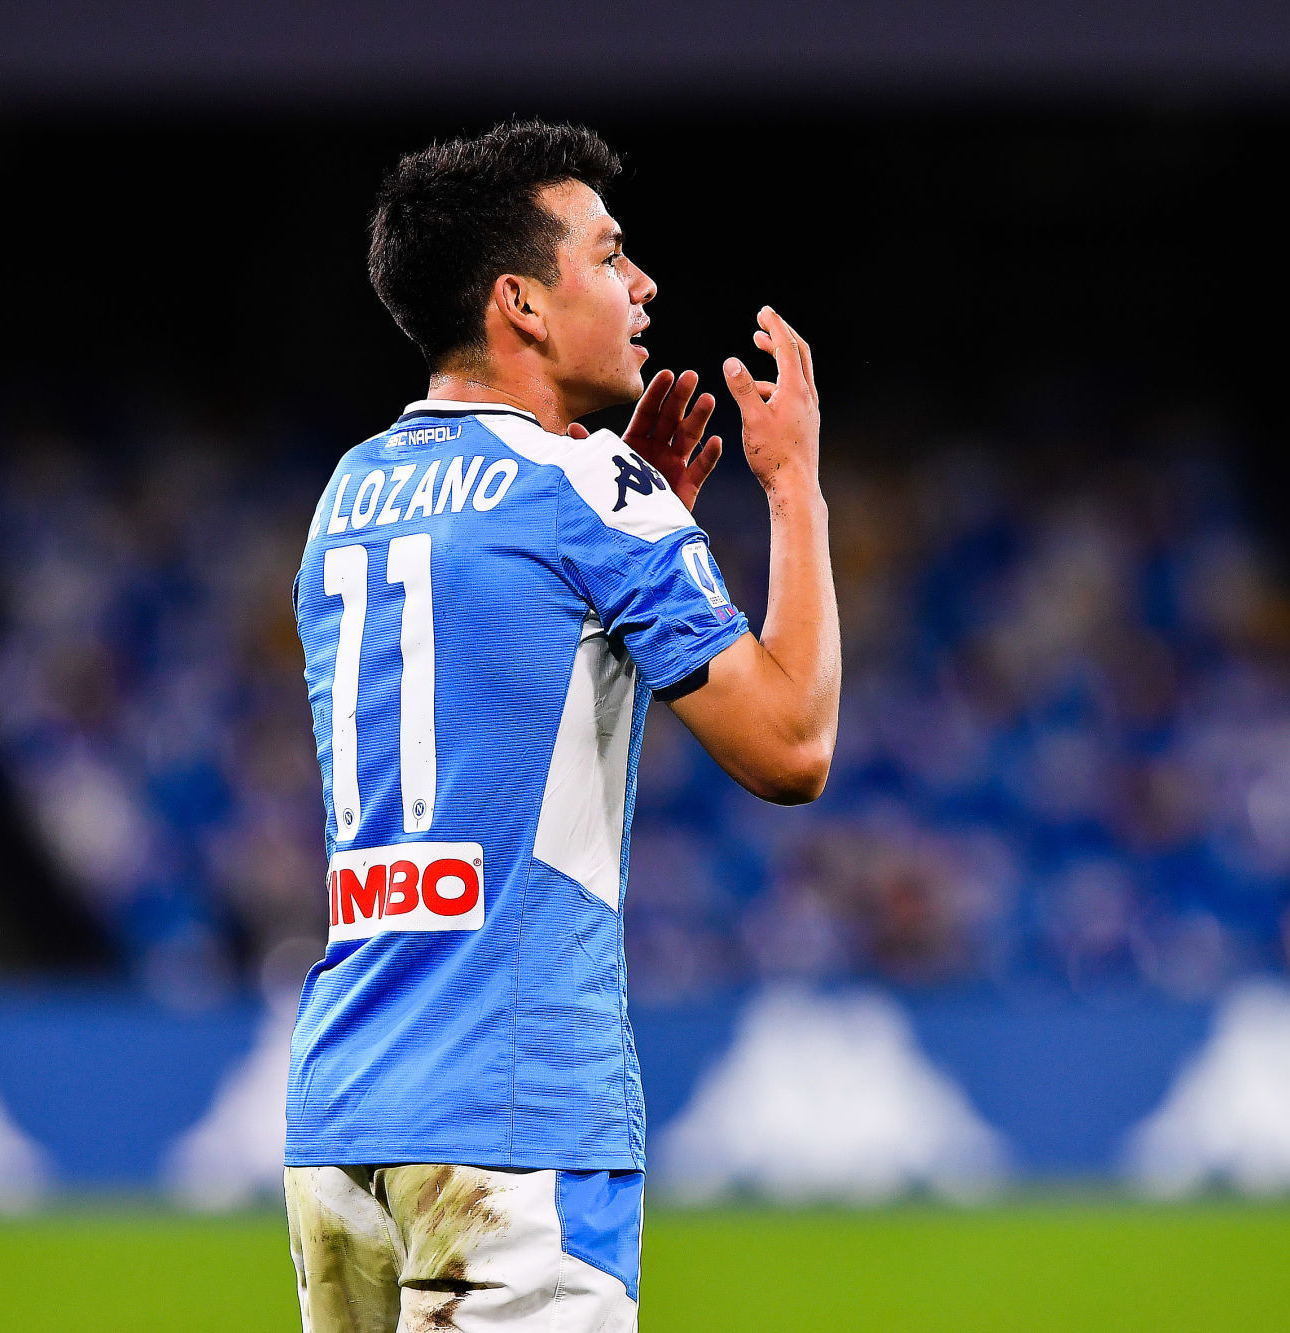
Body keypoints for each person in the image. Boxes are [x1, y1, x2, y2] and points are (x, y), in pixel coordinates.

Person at [286, 120, 840, 1332]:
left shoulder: (349, 494)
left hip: (341, 1116)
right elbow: (791, 748)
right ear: (522, 304)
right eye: (608, 255)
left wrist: (635, 529)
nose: (642, 285)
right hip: (513, 1110)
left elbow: (512, 663)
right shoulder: (589, 489)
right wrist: (791, 484)